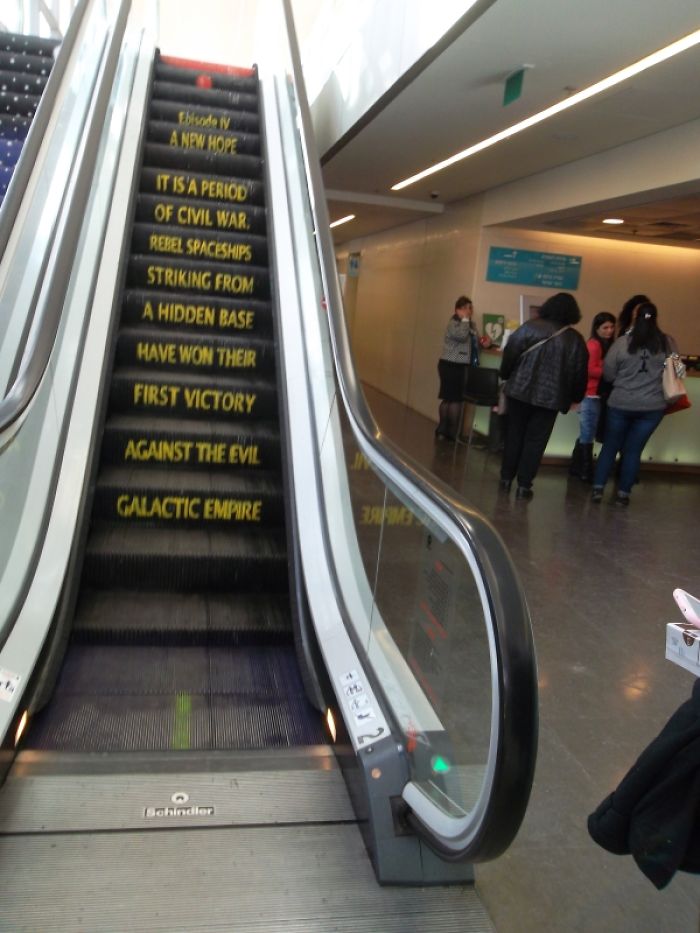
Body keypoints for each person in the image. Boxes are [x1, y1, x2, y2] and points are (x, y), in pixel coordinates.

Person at [498, 292, 588, 500]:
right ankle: (524, 485)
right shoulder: (575, 340)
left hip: (519, 392)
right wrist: (576, 397)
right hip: (550, 399)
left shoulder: (529, 327)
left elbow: (510, 353)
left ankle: (505, 478)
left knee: (514, 434)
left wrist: (506, 375)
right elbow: (579, 373)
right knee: (536, 441)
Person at [592, 301, 676, 505]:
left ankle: (598, 489)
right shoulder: (667, 343)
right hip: (652, 406)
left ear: (636, 318)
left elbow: (608, 374)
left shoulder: (621, 343)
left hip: (620, 403)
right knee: (633, 450)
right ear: (655, 318)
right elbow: (678, 371)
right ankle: (623, 494)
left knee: (610, 447)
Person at [569, 311, 616, 482]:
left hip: (595, 394)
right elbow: (590, 369)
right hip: (591, 393)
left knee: (587, 431)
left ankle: (578, 467)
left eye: (612, 327)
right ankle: (586, 471)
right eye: (605, 327)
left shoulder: (603, 344)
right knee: (588, 432)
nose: (609, 331)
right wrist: (611, 372)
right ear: (597, 328)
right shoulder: (595, 345)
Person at [436, 296, 480, 440]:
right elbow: (461, 336)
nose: (469, 311)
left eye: (470, 308)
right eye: (465, 308)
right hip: (450, 365)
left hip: (462, 366)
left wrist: (484, 341)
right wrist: (465, 320)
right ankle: (445, 430)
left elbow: (474, 341)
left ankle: (448, 432)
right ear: (457, 310)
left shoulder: (471, 324)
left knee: (454, 399)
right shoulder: (453, 323)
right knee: (451, 398)